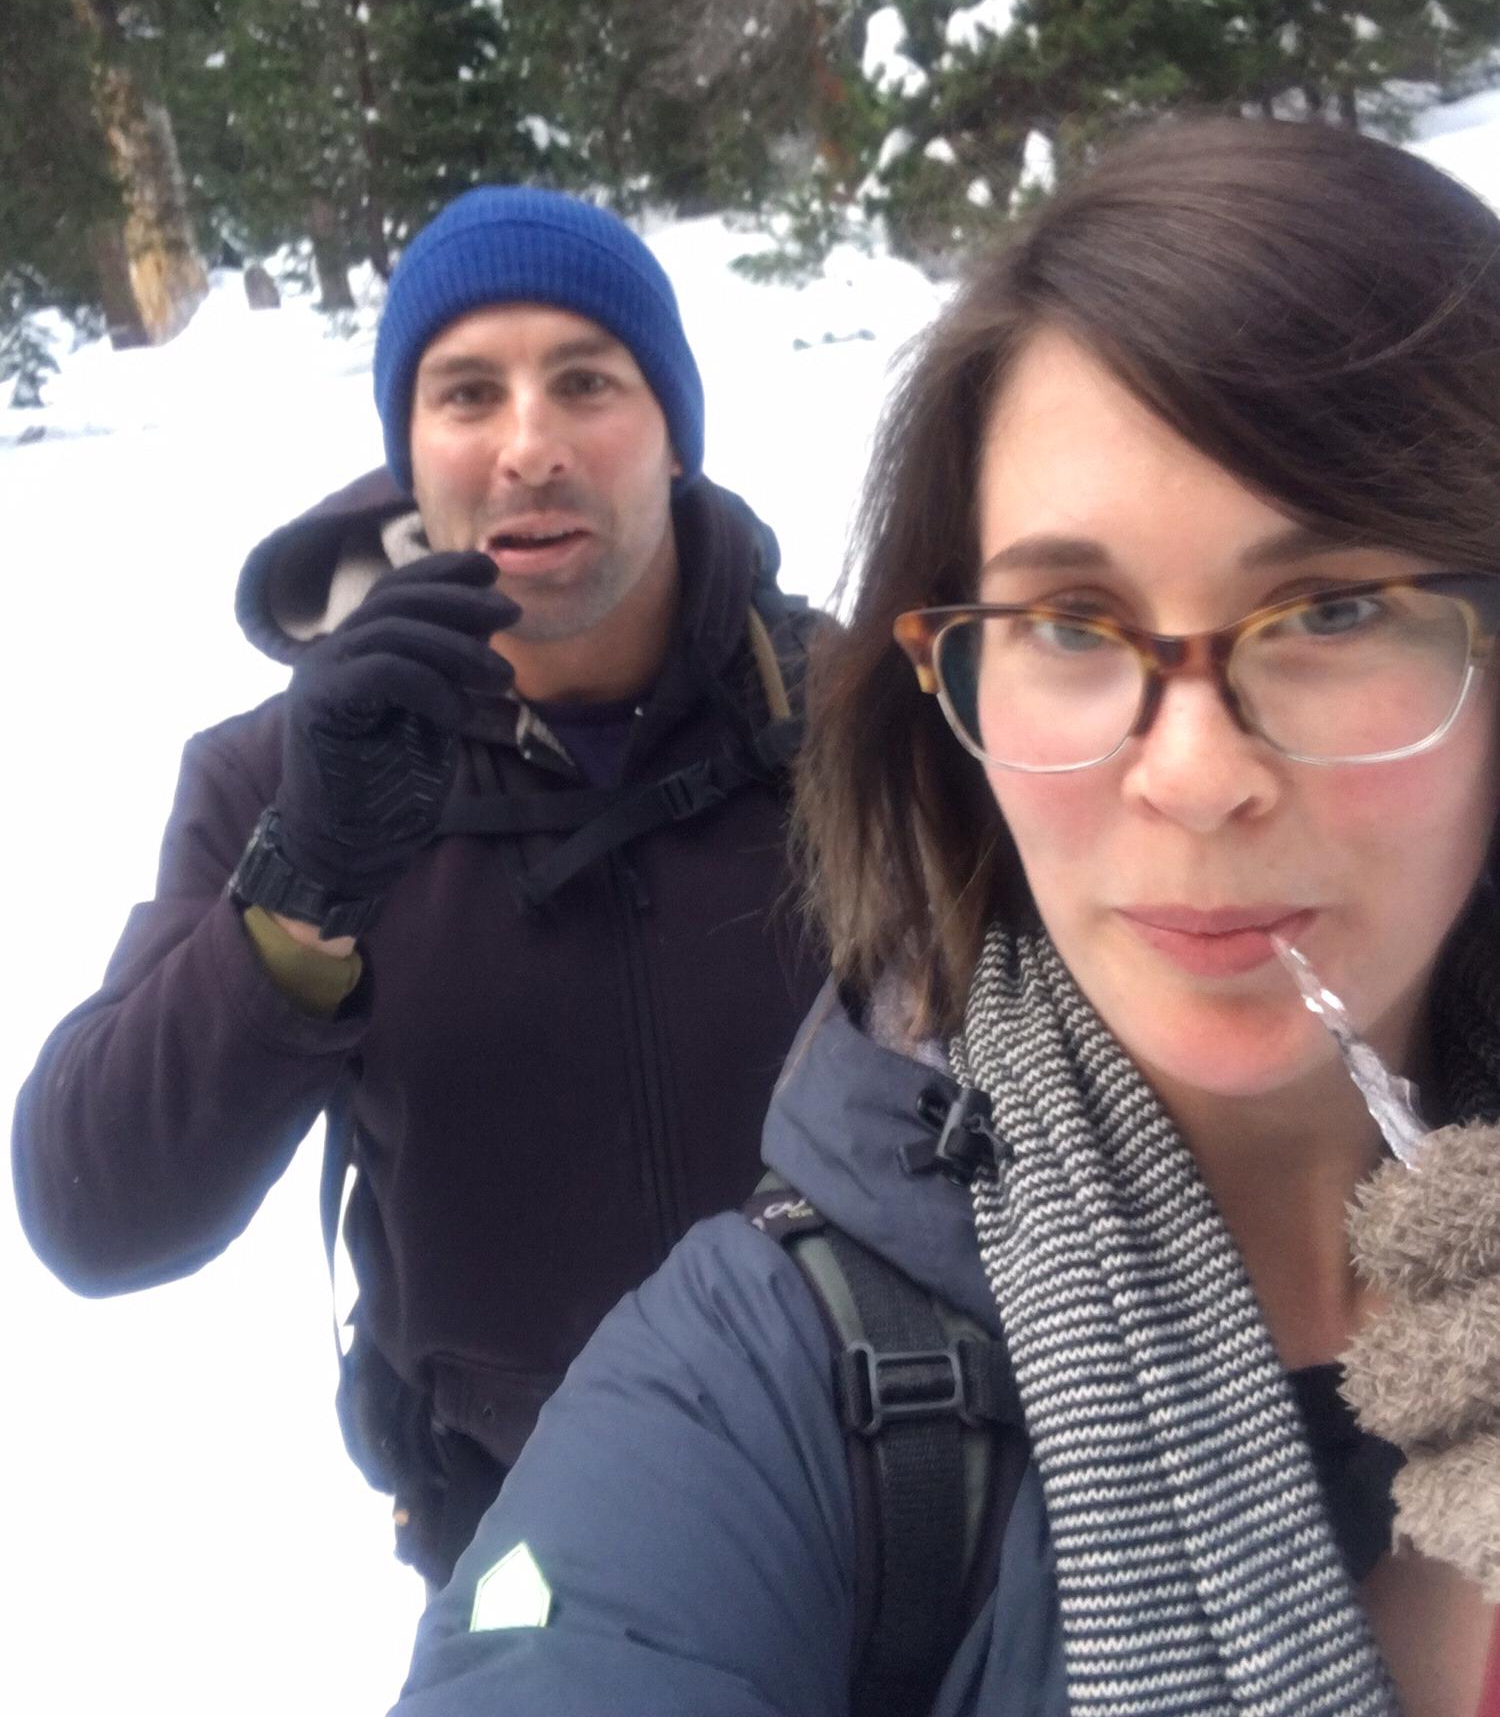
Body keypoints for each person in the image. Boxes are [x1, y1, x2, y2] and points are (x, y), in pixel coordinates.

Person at [392, 120, 1500, 1717]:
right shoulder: (772, 1388)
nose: (1193, 775)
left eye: (1331, 610)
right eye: (1067, 618)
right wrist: (289, 900)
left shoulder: (773, 698)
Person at [11, 187, 826, 1587]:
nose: (529, 447)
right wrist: (304, 885)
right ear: (409, 449)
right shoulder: (274, 777)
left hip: (890, 1505)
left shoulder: (848, 713)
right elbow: (98, 1209)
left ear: (674, 428)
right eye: (467, 394)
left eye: (588, 381)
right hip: (522, 1532)